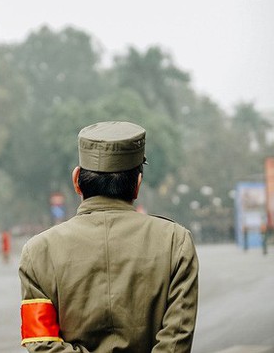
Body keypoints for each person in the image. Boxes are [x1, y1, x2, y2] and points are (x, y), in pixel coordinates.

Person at [19, 121, 199, 352]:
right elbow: (176, 340)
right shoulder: (176, 242)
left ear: (76, 180)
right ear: (137, 184)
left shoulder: (38, 251)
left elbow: (41, 342)